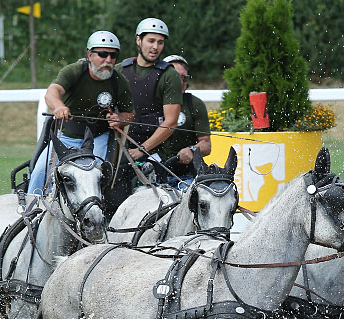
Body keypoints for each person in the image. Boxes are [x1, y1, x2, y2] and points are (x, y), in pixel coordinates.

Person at [27, 30, 134, 195]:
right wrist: (58, 107)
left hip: (98, 138)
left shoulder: (120, 81)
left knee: (95, 175)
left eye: (113, 56)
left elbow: (130, 114)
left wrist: (119, 119)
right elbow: (52, 92)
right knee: (40, 173)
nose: (108, 60)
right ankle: (33, 209)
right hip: (66, 136)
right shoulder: (74, 71)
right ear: (90, 55)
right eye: (103, 54)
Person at [119, 18, 183, 163]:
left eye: (160, 43)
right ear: (138, 40)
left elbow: (171, 122)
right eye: (151, 41)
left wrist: (142, 149)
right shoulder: (120, 70)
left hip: (156, 150)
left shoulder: (170, 75)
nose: (155, 47)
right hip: (121, 144)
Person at [158, 54, 212, 187]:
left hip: (184, 175)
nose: (180, 82)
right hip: (153, 171)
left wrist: (192, 150)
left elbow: (206, 145)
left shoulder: (195, 104)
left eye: (184, 78)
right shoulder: (151, 102)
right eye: (175, 77)